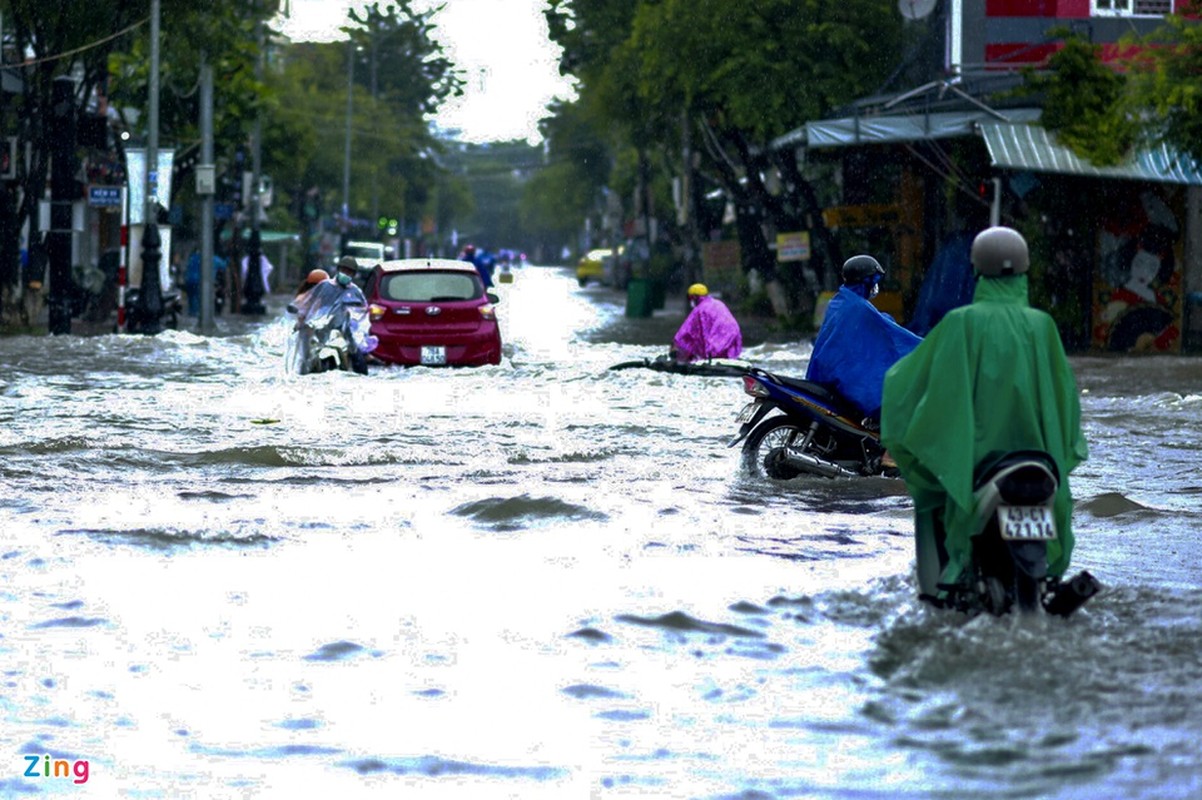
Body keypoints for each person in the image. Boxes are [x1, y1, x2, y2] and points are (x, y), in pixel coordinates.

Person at [880, 227, 1088, 603]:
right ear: (1024, 269)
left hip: (978, 472)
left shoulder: (961, 322)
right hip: (1039, 467)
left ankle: (938, 592)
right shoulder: (1043, 326)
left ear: (976, 269)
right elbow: (1066, 404)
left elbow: (911, 385)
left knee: (930, 499)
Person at [806, 255, 922, 423]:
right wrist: (926, 347)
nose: (876, 286)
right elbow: (895, 335)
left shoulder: (840, 301)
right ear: (866, 281)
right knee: (886, 394)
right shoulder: (860, 308)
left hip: (826, 374)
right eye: (874, 281)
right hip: (841, 378)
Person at [670, 283, 743, 362]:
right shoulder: (717, 303)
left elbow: (685, 331)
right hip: (735, 331)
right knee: (725, 356)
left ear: (693, 297)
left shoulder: (699, 309)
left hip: (720, 333)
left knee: (711, 354)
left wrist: (675, 346)